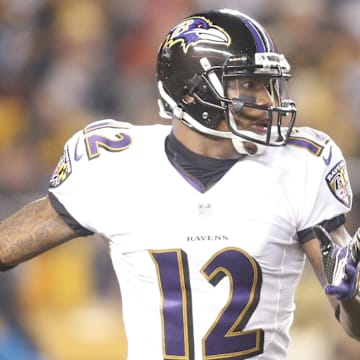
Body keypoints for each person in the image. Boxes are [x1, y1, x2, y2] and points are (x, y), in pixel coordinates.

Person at [0, 8, 359, 360]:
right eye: (249, 84)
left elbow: (353, 321)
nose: (268, 100)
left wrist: (352, 297)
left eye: (269, 84)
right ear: (191, 92)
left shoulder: (300, 164)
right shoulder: (113, 164)